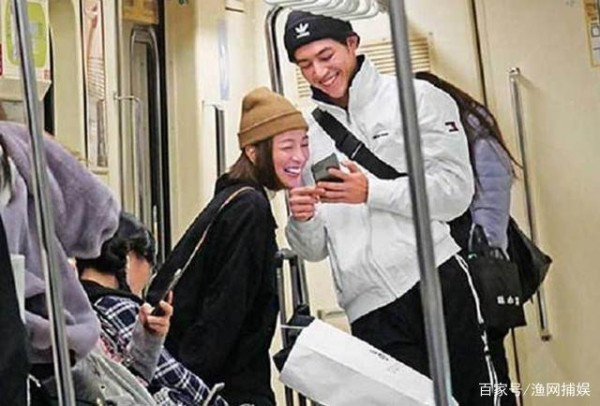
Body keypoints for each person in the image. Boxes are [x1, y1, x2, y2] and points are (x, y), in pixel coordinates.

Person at [283, 11, 495, 406]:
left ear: (352, 44)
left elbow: (455, 194)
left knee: (475, 398)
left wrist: (373, 192)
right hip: (368, 306)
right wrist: (302, 219)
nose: (319, 72)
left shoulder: (417, 99)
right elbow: (313, 250)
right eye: (305, 64)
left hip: (433, 277)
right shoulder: (309, 135)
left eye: (326, 56)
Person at [165, 87, 309, 406]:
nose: (299, 156)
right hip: (228, 389)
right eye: (287, 146)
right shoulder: (250, 210)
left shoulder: (231, 200)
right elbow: (225, 308)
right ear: (253, 152)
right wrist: (192, 387)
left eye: (304, 143)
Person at [417, 71, 519, 405]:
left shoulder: (469, 127)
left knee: (487, 371)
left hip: (474, 266)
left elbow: (492, 202)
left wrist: (480, 255)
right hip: (447, 270)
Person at [77, 212, 228, 406]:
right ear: (130, 256)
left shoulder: (75, 310)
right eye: (150, 261)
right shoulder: (117, 306)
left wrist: (149, 341)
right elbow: (172, 377)